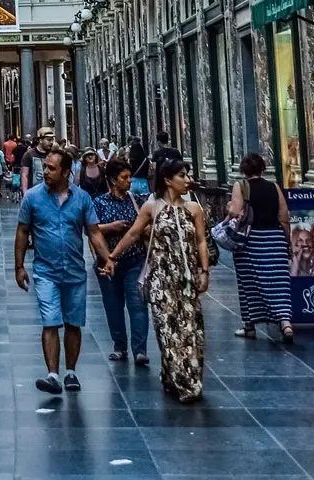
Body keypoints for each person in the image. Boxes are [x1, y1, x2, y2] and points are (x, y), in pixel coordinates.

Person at [102, 158, 210, 402]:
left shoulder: (194, 209)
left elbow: (201, 240)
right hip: (161, 278)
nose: (187, 180)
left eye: (187, 175)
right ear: (168, 180)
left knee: (191, 331)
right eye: (182, 175)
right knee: (167, 330)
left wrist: (204, 271)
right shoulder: (151, 207)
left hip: (187, 278)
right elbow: (133, 234)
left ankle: (183, 377)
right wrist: (112, 257)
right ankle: (185, 384)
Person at [15, 146, 111, 395]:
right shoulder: (33, 198)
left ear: (66, 172)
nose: (45, 171)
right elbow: (23, 231)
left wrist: (107, 258)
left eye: (51, 168)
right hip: (45, 270)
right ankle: (52, 374)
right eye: (45, 166)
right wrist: (19, 266)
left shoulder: (82, 199)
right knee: (50, 321)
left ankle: (70, 371)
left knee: (73, 323)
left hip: (74, 271)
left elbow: (94, 231)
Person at [228, 153, 293, 342]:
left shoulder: (241, 186)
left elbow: (236, 212)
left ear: (243, 170)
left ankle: (249, 325)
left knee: (249, 282)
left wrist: (229, 208)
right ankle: (285, 322)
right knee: (279, 282)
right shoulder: (274, 187)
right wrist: (286, 241)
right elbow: (284, 216)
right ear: (262, 169)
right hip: (274, 238)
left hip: (251, 240)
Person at [92, 157, 149, 366]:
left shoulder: (137, 201)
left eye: (129, 177)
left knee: (137, 304)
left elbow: (145, 226)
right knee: (113, 305)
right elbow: (91, 229)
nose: (129, 181)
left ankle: (140, 350)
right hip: (106, 262)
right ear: (113, 180)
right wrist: (111, 227)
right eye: (125, 177)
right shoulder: (99, 203)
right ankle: (119, 346)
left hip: (134, 259)